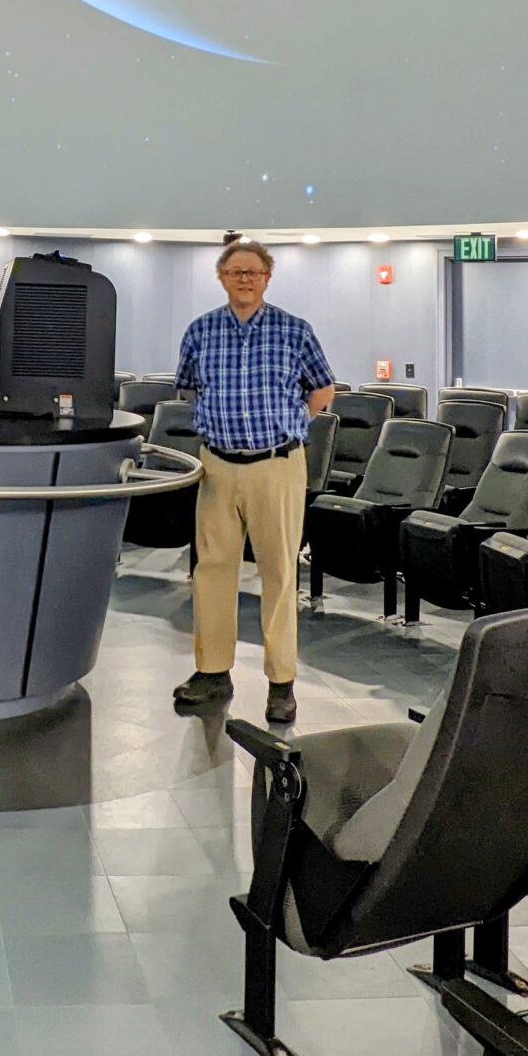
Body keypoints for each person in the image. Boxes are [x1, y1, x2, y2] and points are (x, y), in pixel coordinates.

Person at [169, 238, 334, 724]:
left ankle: (281, 682)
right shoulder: (201, 331)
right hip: (217, 466)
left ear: (267, 279)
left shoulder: (294, 330)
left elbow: (323, 389)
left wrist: (294, 420)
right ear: (222, 278)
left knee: (279, 573)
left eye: (253, 272)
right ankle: (212, 671)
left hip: (276, 466)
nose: (244, 279)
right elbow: (189, 387)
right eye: (235, 271)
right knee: (212, 570)